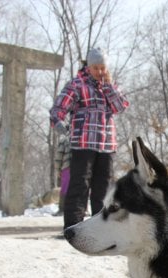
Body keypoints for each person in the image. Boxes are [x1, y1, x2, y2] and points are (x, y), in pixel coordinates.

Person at [50, 48, 129, 230]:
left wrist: (108, 87)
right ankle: (73, 225)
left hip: (106, 143)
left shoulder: (112, 86)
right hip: (83, 142)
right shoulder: (78, 84)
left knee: (103, 187)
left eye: (103, 68)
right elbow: (58, 108)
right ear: (89, 67)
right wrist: (58, 122)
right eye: (96, 68)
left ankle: (101, 227)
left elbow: (120, 107)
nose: (100, 72)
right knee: (80, 183)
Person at [53, 126, 72, 217]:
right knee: (80, 187)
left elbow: (59, 156)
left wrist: (58, 169)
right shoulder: (81, 138)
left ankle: (62, 209)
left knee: (65, 188)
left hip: (67, 167)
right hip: (74, 167)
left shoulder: (64, 140)